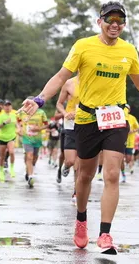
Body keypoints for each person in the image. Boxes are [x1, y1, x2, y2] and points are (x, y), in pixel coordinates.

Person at [19, 1, 139, 254]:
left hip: (116, 117)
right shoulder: (83, 46)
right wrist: (40, 99)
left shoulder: (129, 51)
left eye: (120, 21)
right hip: (87, 119)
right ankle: (81, 219)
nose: (114, 25)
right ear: (99, 21)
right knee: (85, 175)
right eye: (110, 20)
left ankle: (105, 234)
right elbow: (61, 76)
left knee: (112, 173)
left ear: (124, 25)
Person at [56, 75, 80, 204]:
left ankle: (76, 193)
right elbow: (59, 103)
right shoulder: (69, 83)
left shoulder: (95, 82)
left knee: (79, 164)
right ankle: (65, 166)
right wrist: (65, 114)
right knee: (70, 161)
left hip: (87, 126)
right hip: (70, 125)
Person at [17, 96, 48, 188]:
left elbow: (47, 125)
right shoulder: (23, 112)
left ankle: (29, 169)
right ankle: (31, 176)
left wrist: (38, 128)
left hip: (37, 139)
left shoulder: (41, 113)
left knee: (34, 158)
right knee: (29, 156)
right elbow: (18, 121)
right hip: (27, 138)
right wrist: (19, 128)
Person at [0, 100, 17, 181]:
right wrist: (4, 123)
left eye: (9, 105)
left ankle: (12, 168)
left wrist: (19, 127)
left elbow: (17, 124)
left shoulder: (14, 115)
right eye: (6, 106)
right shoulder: (1, 116)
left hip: (11, 137)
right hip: (2, 137)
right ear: (3, 107)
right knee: (2, 156)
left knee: (11, 152)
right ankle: (1, 171)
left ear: (11, 107)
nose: (8, 107)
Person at [121, 104, 139, 182]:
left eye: (127, 108)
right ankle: (123, 175)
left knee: (128, 159)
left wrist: (132, 131)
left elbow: (137, 127)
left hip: (130, 142)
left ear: (129, 110)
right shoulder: (120, 116)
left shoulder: (132, 118)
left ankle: (126, 164)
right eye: (125, 108)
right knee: (121, 159)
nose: (126, 110)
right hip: (121, 141)